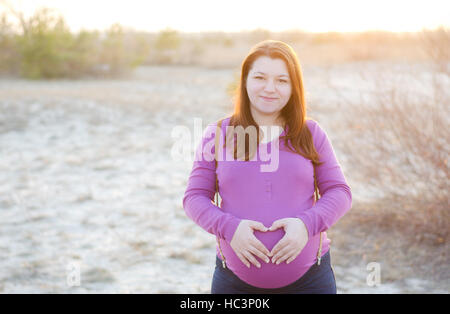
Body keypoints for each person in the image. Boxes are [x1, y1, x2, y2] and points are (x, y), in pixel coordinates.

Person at [182, 40, 352, 294]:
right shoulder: (217, 134)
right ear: (245, 81)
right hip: (234, 285)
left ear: (294, 87)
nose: (270, 88)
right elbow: (194, 198)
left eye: (282, 81)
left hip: (310, 282)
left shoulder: (311, 133)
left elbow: (340, 192)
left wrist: (307, 225)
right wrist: (231, 229)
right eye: (260, 77)